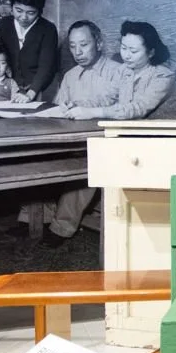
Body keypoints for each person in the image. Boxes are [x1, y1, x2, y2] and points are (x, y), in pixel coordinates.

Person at [38, 21, 127, 244]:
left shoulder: (119, 72)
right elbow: (58, 108)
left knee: (88, 163)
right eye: (73, 46)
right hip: (71, 139)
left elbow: (126, 110)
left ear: (98, 43)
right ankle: (36, 219)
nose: (78, 52)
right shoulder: (70, 75)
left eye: (84, 45)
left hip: (107, 141)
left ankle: (62, 226)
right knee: (37, 157)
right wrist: (63, 108)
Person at [0, 0, 61, 100]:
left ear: (39, 12)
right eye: (18, 10)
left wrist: (31, 93)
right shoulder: (5, 24)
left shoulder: (48, 29)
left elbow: (46, 66)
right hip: (8, 87)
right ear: (11, 7)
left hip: (37, 88)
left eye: (30, 13)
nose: (23, 17)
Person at [100, 20, 176, 120]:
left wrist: (95, 112)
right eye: (123, 48)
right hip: (131, 130)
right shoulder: (123, 70)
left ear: (151, 53)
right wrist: (79, 106)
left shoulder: (163, 76)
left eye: (133, 51)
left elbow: (138, 109)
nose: (126, 56)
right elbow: (107, 98)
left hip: (163, 133)